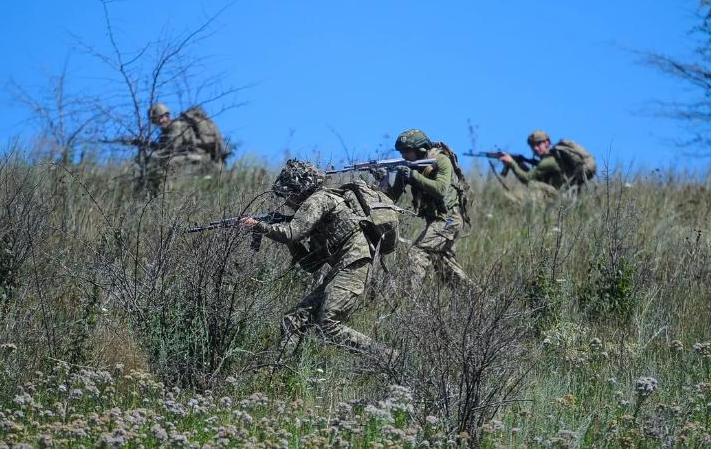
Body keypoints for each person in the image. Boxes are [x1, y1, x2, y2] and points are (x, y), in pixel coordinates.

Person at [239, 159, 390, 360]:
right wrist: (287, 238)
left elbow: (291, 233)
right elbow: (311, 264)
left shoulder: (319, 199)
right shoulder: (319, 215)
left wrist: (259, 226)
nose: (287, 202)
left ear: (298, 189)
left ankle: (388, 357)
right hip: (344, 267)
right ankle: (276, 369)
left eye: (288, 196)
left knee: (328, 325)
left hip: (355, 264)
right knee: (293, 320)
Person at [384, 129, 476, 290]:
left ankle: (409, 297)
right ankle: (474, 298)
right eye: (401, 152)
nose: (403, 155)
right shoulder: (408, 167)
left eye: (407, 151)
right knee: (444, 267)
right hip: (436, 220)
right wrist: (384, 179)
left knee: (417, 252)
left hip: (449, 219)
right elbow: (392, 198)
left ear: (420, 149)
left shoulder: (441, 160)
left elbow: (441, 189)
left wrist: (414, 176)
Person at [147, 103, 222, 190]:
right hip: (193, 156)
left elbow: (170, 149)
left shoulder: (175, 126)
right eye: (156, 119)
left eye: (161, 117)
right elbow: (163, 148)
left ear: (167, 115)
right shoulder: (167, 130)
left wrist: (151, 155)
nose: (160, 121)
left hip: (199, 156)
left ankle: (168, 190)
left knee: (168, 163)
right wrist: (150, 145)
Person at [499, 130, 595, 191]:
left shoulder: (549, 161)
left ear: (547, 142)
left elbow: (527, 178)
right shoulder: (553, 158)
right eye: (533, 145)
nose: (535, 148)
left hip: (562, 196)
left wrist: (512, 163)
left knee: (533, 185)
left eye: (538, 144)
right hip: (565, 193)